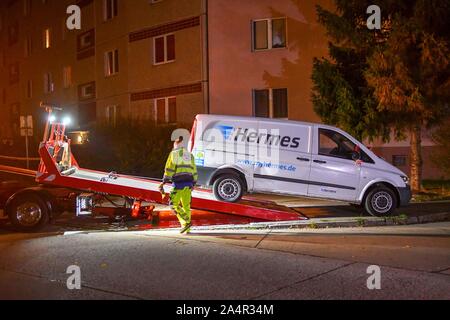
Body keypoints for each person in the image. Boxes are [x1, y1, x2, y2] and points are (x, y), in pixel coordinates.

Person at [159, 136, 198, 234]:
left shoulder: (174, 154)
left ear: (176, 145)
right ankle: (186, 229)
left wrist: (164, 181)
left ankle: (187, 221)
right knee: (186, 206)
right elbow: (194, 171)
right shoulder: (190, 155)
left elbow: (169, 169)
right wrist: (194, 183)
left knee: (173, 205)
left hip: (178, 185)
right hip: (189, 185)